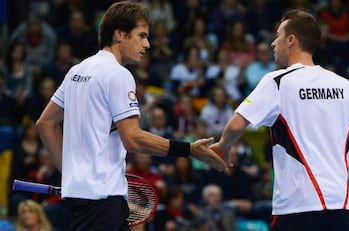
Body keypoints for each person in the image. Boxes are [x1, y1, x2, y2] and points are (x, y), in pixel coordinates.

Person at [35, 1, 227, 230]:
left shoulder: (77, 70)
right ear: (119, 34)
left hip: (89, 198)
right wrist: (188, 149)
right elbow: (133, 138)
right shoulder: (118, 74)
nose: (147, 44)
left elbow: (46, 124)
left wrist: (70, 172)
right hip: (102, 201)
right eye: (141, 36)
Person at [210, 9, 349, 231]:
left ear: (291, 40)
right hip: (339, 205)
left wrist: (224, 146)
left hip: (296, 206)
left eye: (277, 35)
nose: (272, 43)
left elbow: (236, 124)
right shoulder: (347, 86)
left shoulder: (277, 82)